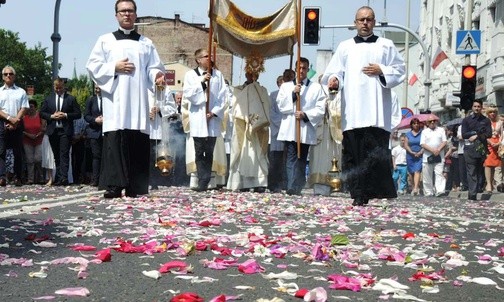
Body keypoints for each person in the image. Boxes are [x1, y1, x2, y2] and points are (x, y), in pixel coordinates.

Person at [321, 6, 406, 206]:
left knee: (375, 154)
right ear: (355, 23)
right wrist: (334, 81)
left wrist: (382, 69)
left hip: (377, 111)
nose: (365, 23)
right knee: (354, 154)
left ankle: (375, 192)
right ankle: (358, 194)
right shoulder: (345, 47)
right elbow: (334, 73)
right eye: (361, 20)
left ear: (374, 22)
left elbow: (400, 70)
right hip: (354, 111)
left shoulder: (386, 45)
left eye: (369, 19)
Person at [86, 0, 166, 198]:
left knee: (137, 140)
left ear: (136, 14)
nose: (126, 14)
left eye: (130, 11)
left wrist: (157, 76)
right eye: (122, 11)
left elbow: (154, 67)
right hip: (116, 101)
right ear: (116, 15)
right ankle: (114, 185)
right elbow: (93, 66)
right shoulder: (105, 40)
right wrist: (114, 67)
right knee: (115, 141)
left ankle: (136, 186)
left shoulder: (146, 43)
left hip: (138, 101)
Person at [277, 57, 325, 196]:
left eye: (305, 68)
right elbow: (281, 105)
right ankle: (292, 186)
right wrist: (293, 94)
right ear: (296, 69)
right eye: (300, 68)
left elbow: (320, 108)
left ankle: (298, 185)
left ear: (308, 70)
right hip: (291, 128)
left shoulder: (316, 87)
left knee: (301, 157)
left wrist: (305, 114)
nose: (302, 71)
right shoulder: (286, 86)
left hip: (305, 128)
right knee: (291, 156)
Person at [183, 48, 227, 192]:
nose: (209, 58)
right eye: (206, 56)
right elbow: (189, 94)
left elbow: (223, 96)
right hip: (198, 118)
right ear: (198, 59)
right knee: (199, 150)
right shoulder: (190, 75)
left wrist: (213, 112)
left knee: (209, 151)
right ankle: (202, 179)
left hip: (211, 119)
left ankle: (205, 180)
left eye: (210, 56)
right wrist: (202, 83)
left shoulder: (218, 75)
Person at [227, 70, 270, 192]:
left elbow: (266, 105)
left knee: (257, 154)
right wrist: (246, 118)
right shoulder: (238, 90)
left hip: (258, 128)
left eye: (255, 74)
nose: (253, 76)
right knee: (242, 152)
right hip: (243, 125)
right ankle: (241, 182)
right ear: (246, 74)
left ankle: (259, 182)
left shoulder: (262, 90)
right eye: (250, 74)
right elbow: (235, 107)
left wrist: (258, 120)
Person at [40, 78, 81, 186]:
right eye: (56, 88)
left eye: (60, 88)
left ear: (64, 87)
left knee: (64, 154)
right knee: (56, 155)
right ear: (54, 87)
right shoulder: (48, 99)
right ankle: (58, 177)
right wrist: (51, 116)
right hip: (53, 130)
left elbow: (78, 113)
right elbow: (42, 113)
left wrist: (66, 115)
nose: (58, 90)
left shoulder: (70, 99)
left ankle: (64, 177)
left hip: (65, 131)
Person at [308, 75, 343, 196]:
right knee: (318, 159)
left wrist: (331, 110)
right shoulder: (319, 94)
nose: (333, 82)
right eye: (331, 80)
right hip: (320, 131)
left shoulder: (340, 96)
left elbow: (341, 112)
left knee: (333, 158)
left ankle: (334, 185)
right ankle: (318, 185)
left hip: (334, 133)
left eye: (335, 80)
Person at [0, 65, 29, 186]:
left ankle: (18, 177)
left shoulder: (21, 91)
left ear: (14, 76)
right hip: (2, 123)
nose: (8, 76)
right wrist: (9, 119)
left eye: (10, 74)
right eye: (6, 74)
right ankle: (2, 177)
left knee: (18, 151)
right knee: (1, 151)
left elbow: (24, 107)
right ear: (2, 77)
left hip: (17, 123)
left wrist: (16, 121)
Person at [461, 100, 492, 200]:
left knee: (479, 171)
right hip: (469, 149)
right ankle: (472, 194)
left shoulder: (486, 120)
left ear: (481, 107)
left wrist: (477, 136)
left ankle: (478, 187)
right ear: (472, 107)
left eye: (479, 106)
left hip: (481, 148)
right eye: (475, 106)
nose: (477, 108)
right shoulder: (466, 120)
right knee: (471, 171)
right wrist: (474, 133)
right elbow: (464, 134)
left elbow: (489, 134)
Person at [268, 75, 285, 193]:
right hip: (277, 130)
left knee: (285, 159)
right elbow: (271, 112)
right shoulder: (273, 95)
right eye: (280, 83)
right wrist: (282, 123)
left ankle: (284, 183)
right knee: (275, 160)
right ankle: (273, 183)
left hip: (288, 131)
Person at [84, 85, 103, 187]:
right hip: (94, 132)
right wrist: (95, 120)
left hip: (106, 131)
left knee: (107, 156)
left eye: (99, 88)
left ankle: (106, 179)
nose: (97, 90)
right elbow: (86, 116)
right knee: (96, 156)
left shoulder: (108, 99)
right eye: (96, 88)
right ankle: (95, 179)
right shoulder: (91, 100)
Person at [22, 100, 45, 185]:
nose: (30, 109)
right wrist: (28, 134)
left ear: (35, 107)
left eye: (31, 107)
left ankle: (42, 177)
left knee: (38, 159)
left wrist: (39, 134)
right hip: (27, 141)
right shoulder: (24, 118)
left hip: (39, 140)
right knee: (29, 160)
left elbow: (44, 127)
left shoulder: (40, 116)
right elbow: (21, 130)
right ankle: (30, 179)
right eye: (28, 107)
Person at [483, 105, 502, 193]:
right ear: (488, 113)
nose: (492, 114)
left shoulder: (500, 122)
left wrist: (499, 143)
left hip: (498, 145)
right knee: (488, 164)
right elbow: (483, 134)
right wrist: (490, 142)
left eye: (494, 112)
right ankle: (489, 184)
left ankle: (499, 184)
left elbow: (502, 134)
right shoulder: (485, 122)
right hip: (488, 144)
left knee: (498, 164)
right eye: (490, 112)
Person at [404, 118, 423, 195]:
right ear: (411, 125)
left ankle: (416, 188)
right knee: (411, 173)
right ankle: (413, 187)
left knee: (417, 171)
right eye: (414, 123)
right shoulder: (408, 134)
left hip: (419, 155)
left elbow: (424, 143)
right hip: (410, 155)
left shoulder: (422, 133)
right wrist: (411, 152)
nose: (416, 125)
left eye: (417, 123)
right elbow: (406, 145)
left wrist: (420, 152)